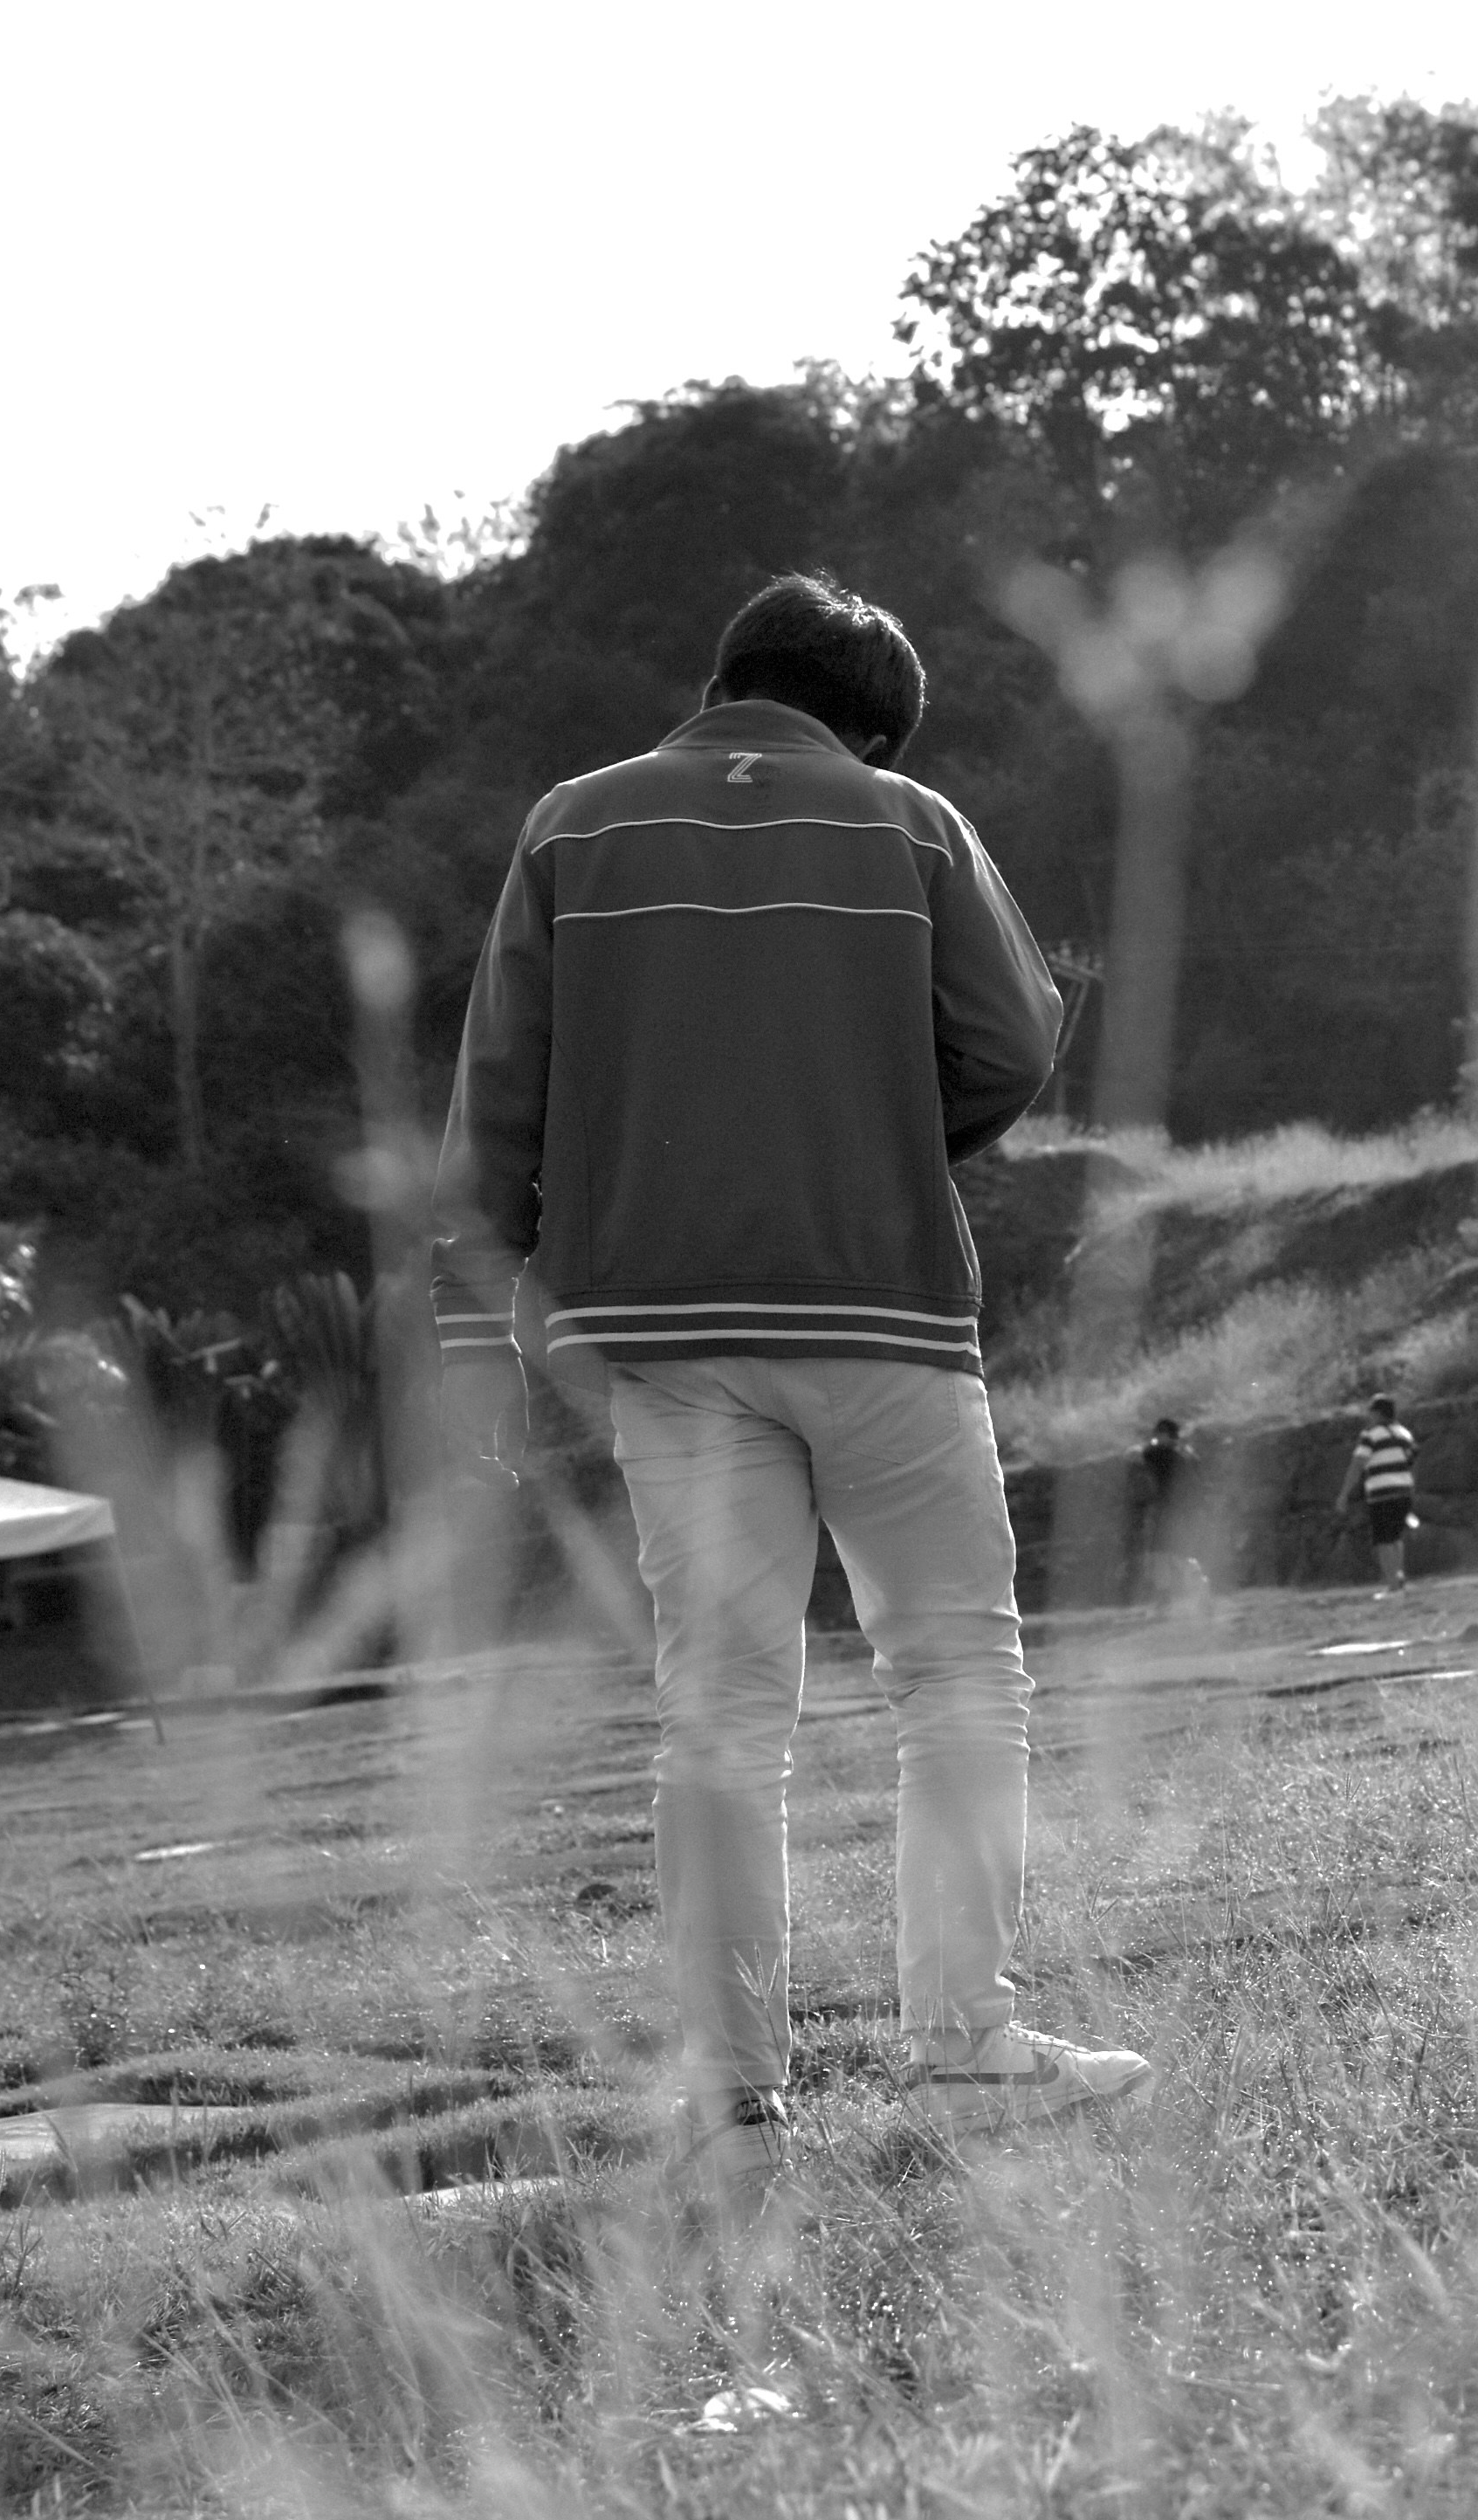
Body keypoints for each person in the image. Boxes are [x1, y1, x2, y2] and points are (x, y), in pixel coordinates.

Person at [431, 574, 1152, 2221]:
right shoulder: (905, 823)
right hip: (881, 1304)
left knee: (720, 1704)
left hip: (662, 1331)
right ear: (870, 724)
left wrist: (480, 1329)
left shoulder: (569, 826)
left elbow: (496, 1093)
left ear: (724, 676)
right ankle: (966, 2043)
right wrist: (886, 1117)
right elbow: (1017, 1040)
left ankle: (732, 2095)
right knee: (958, 1670)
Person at [1335, 1394, 1417, 1589]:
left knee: (1383, 1540)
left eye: (1371, 1411)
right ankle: (1399, 1578)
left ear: (1378, 1413)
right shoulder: (1404, 1433)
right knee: (1396, 1538)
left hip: (1382, 1493)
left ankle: (1393, 1586)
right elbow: (1411, 1461)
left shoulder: (1370, 1435)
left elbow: (1357, 1465)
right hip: (1404, 1491)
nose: (1369, 1416)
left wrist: (1344, 1494)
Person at [1127, 1415, 1202, 1607]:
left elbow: (1133, 1454)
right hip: (1179, 1509)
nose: (1157, 1437)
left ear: (1168, 1436)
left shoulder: (1162, 1454)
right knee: (1167, 1553)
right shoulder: (1180, 1454)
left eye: (1160, 1433)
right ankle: (1173, 1592)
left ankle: (1181, 1590)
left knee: (1164, 1553)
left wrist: (1143, 1447)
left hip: (1168, 1510)